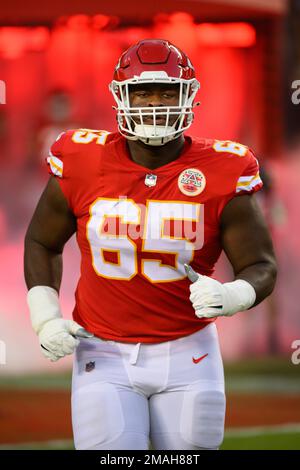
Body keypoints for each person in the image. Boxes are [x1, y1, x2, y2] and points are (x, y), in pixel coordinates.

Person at [24, 39, 277, 450]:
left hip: (190, 351)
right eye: (142, 92)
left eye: (167, 91)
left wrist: (232, 294)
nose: (155, 103)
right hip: (102, 350)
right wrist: (46, 317)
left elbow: (261, 264)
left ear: (189, 96)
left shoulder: (225, 168)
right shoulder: (82, 159)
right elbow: (41, 241)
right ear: (121, 97)